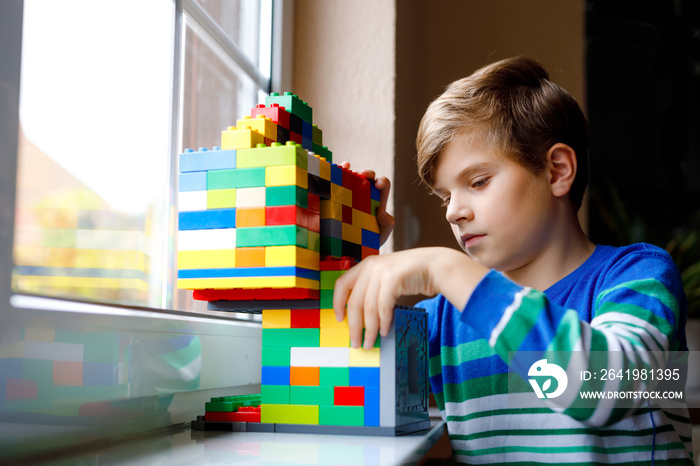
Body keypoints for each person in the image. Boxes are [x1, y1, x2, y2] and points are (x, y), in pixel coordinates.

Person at [334, 57, 693, 464]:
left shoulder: (638, 277)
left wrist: (445, 267)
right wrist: (356, 255)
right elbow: (342, 380)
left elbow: (604, 389)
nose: (453, 212)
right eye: (445, 197)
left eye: (478, 182)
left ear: (557, 170)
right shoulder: (442, 320)